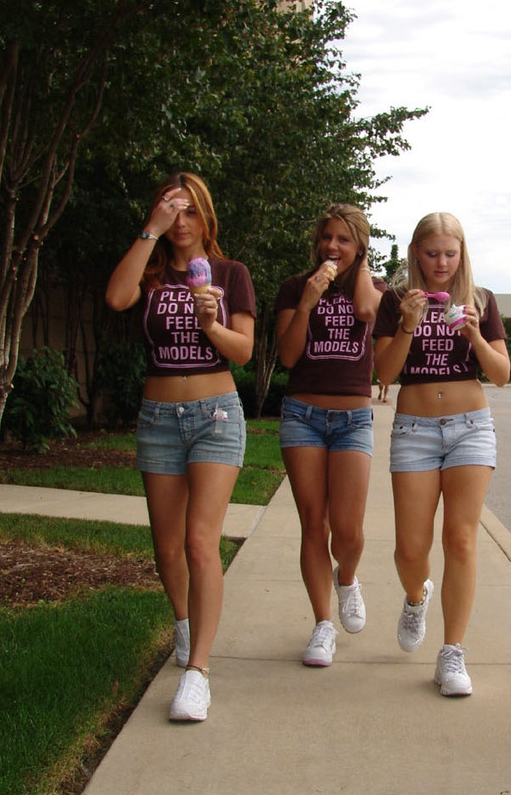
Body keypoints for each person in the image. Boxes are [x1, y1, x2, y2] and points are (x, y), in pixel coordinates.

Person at [104, 172, 255, 723]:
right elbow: (116, 298)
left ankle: (199, 675)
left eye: (190, 211)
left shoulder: (230, 274)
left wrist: (211, 324)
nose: (182, 221)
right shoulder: (149, 274)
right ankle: (186, 625)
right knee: (167, 546)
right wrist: (151, 228)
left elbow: (243, 352)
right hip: (159, 417)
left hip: (216, 413)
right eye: (173, 211)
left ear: (206, 216)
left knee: (199, 541)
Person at [373, 212, 511, 697]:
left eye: (450, 254)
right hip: (414, 428)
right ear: (416, 254)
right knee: (410, 548)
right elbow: (384, 373)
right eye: (432, 254)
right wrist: (408, 325)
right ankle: (416, 596)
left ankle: (452, 652)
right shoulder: (395, 301)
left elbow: (501, 374)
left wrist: (474, 334)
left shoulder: (481, 300)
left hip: (470, 427)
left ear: (462, 254)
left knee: (461, 539)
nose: (441, 263)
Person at [275, 204, 384, 666]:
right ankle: (322, 625)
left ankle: (348, 578)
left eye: (343, 239)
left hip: (353, 419)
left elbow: (365, 310)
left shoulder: (375, 288)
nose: (331, 247)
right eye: (327, 238)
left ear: (359, 246)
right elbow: (287, 357)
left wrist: (356, 268)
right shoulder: (296, 287)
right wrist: (307, 301)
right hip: (303, 414)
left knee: (349, 530)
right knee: (313, 523)